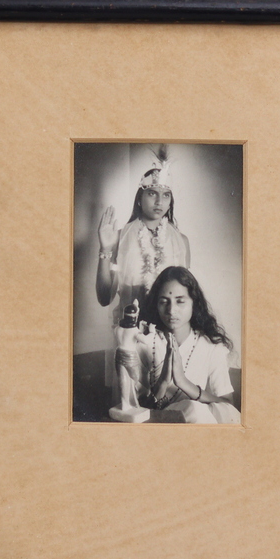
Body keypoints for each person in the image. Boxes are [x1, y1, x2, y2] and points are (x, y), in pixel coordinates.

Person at [95, 153, 190, 403]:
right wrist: (105, 249)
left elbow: (185, 300)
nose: (159, 201)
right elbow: (104, 297)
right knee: (133, 406)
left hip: (169, 337)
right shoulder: (119, 238)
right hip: (131, 336)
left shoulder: (182, 242)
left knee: (168, 404)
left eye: (166, 195)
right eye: (152, 193)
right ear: (139, 197)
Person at [137, 266, 240, 424]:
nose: (171, 310)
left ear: (194, 303)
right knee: (193, 410)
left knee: (196, 410)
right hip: (156, 425)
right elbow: (135, 411)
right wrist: (163, 382)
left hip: (197, 426)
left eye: (180, 301)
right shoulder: (143, 343)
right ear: (156, 305)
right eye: (164, 302)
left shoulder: (212, 347)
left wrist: (183, 382)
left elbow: (228, 406)